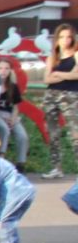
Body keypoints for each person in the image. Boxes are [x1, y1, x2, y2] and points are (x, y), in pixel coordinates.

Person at [42, 23, 78, 179]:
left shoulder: (76, 54)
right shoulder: (53, 57)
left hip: (70, 95)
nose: (65, 40)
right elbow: (46, 78)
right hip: (51, 95)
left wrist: (59, 74)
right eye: (62, 37)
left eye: (69, 37)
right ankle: (56, 167)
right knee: (52, 131)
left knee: (74, 132)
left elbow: (76, 75)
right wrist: (65, 74)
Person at [0, 57, 30, 168]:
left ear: (10, 71)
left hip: (9, 115)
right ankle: (1, 157)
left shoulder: (13, 87)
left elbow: (15, 106)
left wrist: (13, 118)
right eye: (0, 68)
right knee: (4, 129)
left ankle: (21, 163)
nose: (3, 71)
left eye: (6, 68)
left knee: (22, 135)